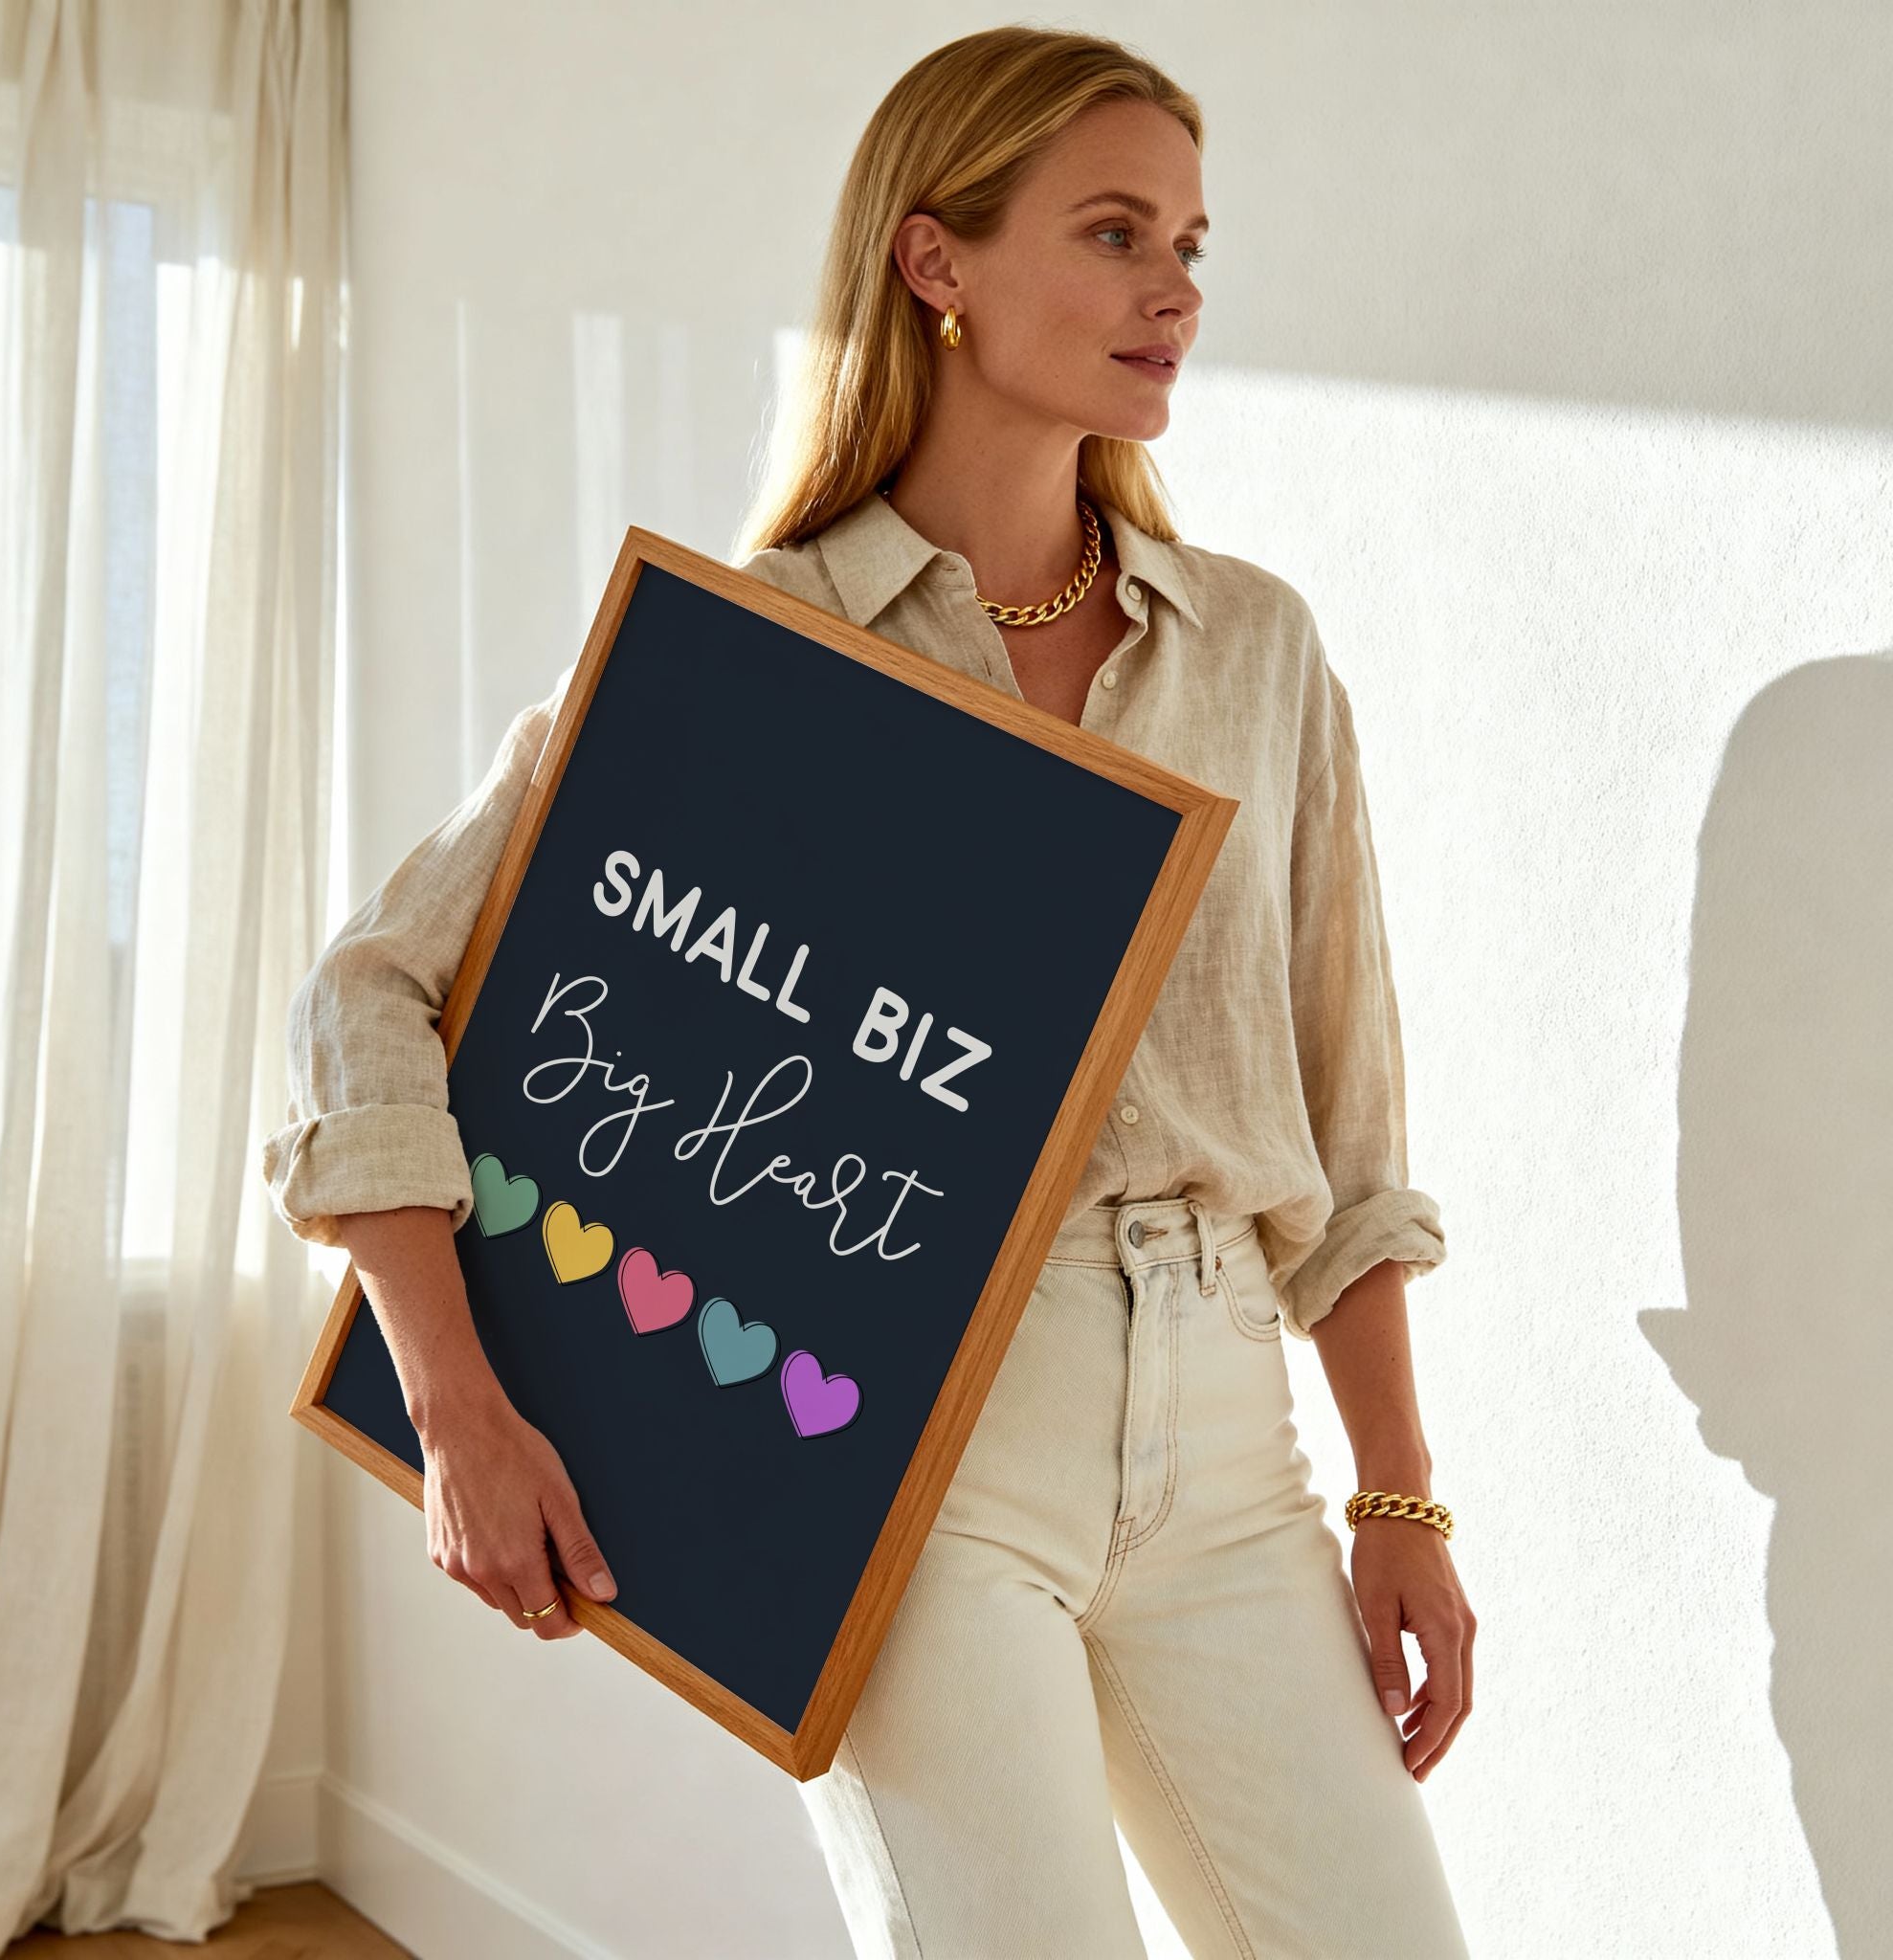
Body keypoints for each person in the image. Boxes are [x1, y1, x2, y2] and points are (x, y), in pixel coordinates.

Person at [262, 24, 1475, 1958]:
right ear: (936, 265)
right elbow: (366, 997)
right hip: (913, 1449)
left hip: (1230, 1437)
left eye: (1189, 240)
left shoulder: (1254, 646)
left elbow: (1348, 1121)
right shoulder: (756, 651)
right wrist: (458, 1408)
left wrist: (1398, 1502)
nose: (1172, 287)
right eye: (1110, 231)